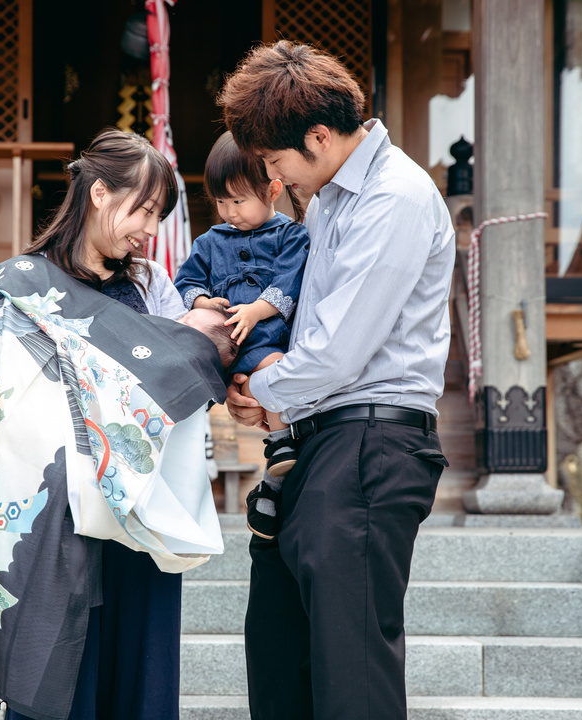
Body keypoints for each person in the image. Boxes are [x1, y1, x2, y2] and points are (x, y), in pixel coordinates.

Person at [0, 129, 225, 720]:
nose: (150, 229)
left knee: (138, 678)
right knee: (60, 680)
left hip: (140, 514)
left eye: (158, 215)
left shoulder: (151, 286)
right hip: (50, 520)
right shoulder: (19, 288)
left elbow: (182, 388)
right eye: (143, 210)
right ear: (98, 193)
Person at [218, 41, 455, 720]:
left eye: (274, 161)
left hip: (368, 448)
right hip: (320, 444)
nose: (274, 177)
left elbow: (337, 354)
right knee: (280, 656)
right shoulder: (326, 202)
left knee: (351, 675)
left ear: (318, 138)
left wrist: (257, 395)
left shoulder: (394, 199)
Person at [174, 131, 311, 539]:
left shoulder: (292, 235)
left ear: (272, 189)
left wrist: (257, 310)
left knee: (274, 370)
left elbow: (289, 282)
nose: (229, 211)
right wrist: (203, 303)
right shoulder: (209, 241)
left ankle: (280, 445)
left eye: (239, 200)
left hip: (265, 340)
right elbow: (188, 281)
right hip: (223, 345)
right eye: (220, 202)